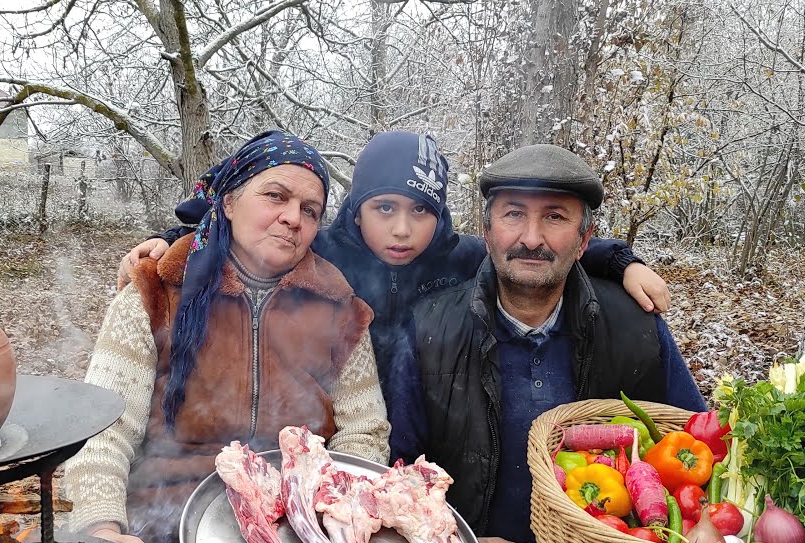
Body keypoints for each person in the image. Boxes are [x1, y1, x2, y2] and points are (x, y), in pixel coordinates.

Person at [118, 132, 671, 454]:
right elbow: (240, 230)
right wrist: (167, 243)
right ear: (356, 209)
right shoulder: (322, 254)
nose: (402, 231)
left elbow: (531, 247)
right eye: (384, 209)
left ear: (444, 216)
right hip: (339, 415)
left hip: (424, 416)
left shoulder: (461, 256)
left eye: (421, 212)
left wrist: (619, 260)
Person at [61, 130, 390, 543]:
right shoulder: (157, 293)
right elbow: (103, 427)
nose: (293, 218)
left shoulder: (340, 309)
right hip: (158, 536)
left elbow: (363, 434)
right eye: (275, 196)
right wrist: (102, 525)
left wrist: (336, 515)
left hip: (294, 539)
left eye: (309, 210)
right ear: (230, 202)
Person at [390, 143, 709, 543]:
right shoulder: (429, 330)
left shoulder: (636, 326)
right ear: (487, 233)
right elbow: (395, 471)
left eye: (555, 217)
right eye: (513, 214)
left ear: (583, 241)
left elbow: (699, 448)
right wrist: (452, 540)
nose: (532, 238)